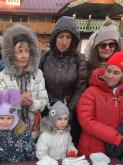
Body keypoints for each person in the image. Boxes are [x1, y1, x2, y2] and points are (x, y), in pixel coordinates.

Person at [77, 50, 123, 157]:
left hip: (115, 152)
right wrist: (114, 137)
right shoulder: (91, 92)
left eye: (116, 73)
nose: (110, 76)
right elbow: (86, 120)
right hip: (90, 150)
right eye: (108, 71)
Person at [40, 16, 87, 146]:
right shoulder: (45, 56)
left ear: (73, 40)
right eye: (61, 36)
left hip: (68, 112)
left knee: (65, 145)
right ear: (55, 37)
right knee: (46, 143)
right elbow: (39, 82)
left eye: (68, 37)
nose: (64, 41)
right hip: (47, 109)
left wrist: (69, 109)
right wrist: (48, 103)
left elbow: (80, 88)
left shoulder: (79, 59)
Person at [0, 24, 48, 139]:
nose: (24, 56)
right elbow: (1, 106)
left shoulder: (37, 74)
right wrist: (19, 101)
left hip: (33, 132)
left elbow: (44, 101)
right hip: (12, 134)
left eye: (27, 51)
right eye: (19, 51)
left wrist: (32, 103)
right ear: (12, 54)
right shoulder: (1, 77)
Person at [0, 89, 36, 163]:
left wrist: (29, 149)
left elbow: (31, 153)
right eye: (2, 118)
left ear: (14, 117)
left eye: (9, 118)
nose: (5, 122)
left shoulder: (23, 132)